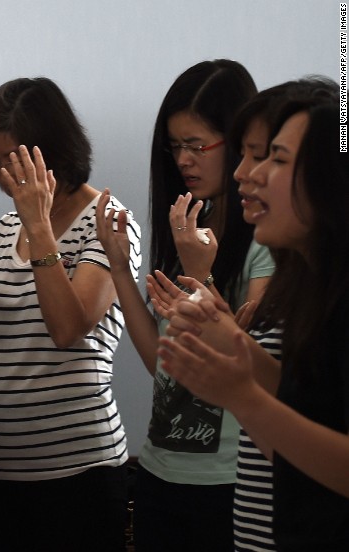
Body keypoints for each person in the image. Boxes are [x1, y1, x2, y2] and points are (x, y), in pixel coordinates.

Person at [0, 77, 139, 551]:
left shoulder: (109, 221)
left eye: (10, 161)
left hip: (79, 470)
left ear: (50, 151)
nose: (0, 175)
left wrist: (39, 227)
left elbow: (68, 328)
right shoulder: (6, 227)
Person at [156, 89, 349, 549]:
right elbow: (288, 443)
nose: (247, 174)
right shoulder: (307, 287)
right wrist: (230, 344)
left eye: (272, 157)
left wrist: (243, 395)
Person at [96, 59, 261, 552]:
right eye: (175, 147)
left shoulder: (266, 245)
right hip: (161, 472)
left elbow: (252, 368)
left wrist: (204, 276)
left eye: (197, 145)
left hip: (230, 480)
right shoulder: (190, 230)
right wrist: (120, 268)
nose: (183, 160)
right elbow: (162, 367)